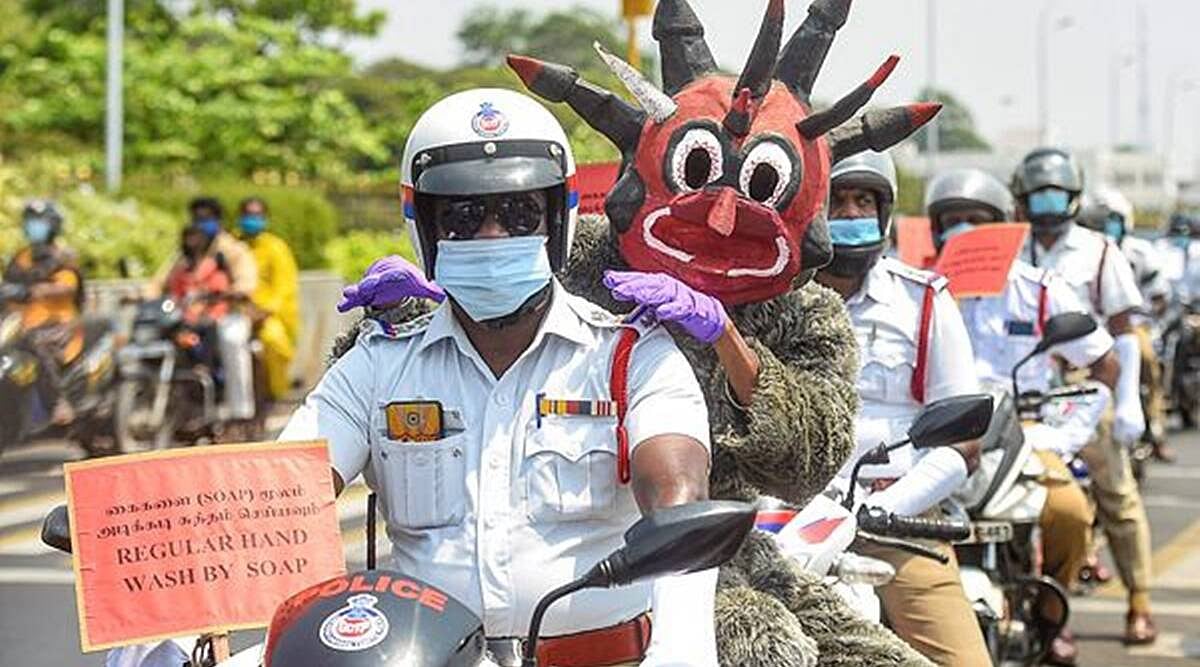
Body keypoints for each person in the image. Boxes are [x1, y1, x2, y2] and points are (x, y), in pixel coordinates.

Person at [281, 88, 718, 666]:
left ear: (558, 219)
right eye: (463, 216)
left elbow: (677, 499)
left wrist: (683, 648)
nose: (492, 234)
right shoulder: (378, 365)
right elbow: (281, 494)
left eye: (518, 214)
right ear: (425, 226)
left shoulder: (630, 357)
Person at [926, 167, 1118, 664]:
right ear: (935, 229)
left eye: (976, 220)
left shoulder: (1041, 289)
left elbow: (1104, 361)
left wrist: (1071, 427)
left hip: (1027, 432)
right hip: (935, 433)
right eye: (953, 220)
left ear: (1004, 225)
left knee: (1068, 512)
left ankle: (1051, 611)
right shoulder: (919, 290)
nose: (964, 230)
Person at [814, 151, 991, 666]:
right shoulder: (772, 299)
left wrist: (886, 508)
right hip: (793, 521)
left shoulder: (924, 301)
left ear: (884, 212)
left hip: (898, 525)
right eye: (835, 201)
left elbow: (963, 441)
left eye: (863, 201)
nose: (850, 214)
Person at [1012, 147, 1158, 644]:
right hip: (1026, 387)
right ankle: (1047, 613)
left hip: (1087, 387)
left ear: (1074, 197)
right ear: (1022, 200)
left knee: (1116, 494)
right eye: (1037, 196)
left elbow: (1123, 331)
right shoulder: (1012, 248)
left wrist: (1128, 402)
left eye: (1055, 195)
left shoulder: (1099, 251)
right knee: (1022, 499)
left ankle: (1139, 601)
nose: (1046, 205)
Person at [1078, 187, 1173, 461]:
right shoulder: (1081, 251)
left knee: (1147, 360)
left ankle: (1156, 428)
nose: (1105, 227)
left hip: (1133, 323)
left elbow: (1158, 295)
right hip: (1089, 331)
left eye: (1112, 220)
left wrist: (1151, 311)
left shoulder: (1137, 252)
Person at [152, 197, 259, 421]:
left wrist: (231, 292)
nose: (200, 224)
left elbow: (247, 282)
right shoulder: (186, 253)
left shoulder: (232, 250)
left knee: (231, 340)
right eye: (197, 219)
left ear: (218, 221)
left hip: (228, 313)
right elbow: (161, 281)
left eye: (206, 219)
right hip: (192, 315)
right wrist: (142, 297)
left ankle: (239, 412)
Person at [2, 199, 83, 424]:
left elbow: (67, 285)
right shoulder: (22, 256)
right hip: (17, 324)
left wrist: (35, 291)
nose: (33, 226)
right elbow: (7, 283)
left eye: (39, 221)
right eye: (30, 221)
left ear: (53, 226)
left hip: (57, 327)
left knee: (34, 342)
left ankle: (57, 402)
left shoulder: (63, 257)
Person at [237, 197, 299, 401]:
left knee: (273, 341)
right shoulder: (234, 246)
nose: (252, 220)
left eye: (257, 215)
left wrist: (264, 312)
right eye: (248, 215)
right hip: (236, 311)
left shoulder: (275, 248)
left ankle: (277, 394)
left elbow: (284, 287)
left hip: (267, 315)